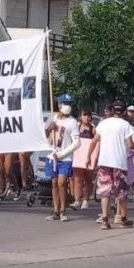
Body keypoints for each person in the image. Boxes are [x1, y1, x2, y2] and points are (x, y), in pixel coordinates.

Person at [87, 100, 134, 229]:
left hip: (104, 161)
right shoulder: (125, 125)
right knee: (121, 192)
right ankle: (122, 217)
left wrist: (88, 156)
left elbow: (94, 141)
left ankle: (105, 220)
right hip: (119, 162)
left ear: (112, 111)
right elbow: (130, 144)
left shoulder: (103, 124)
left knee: (105, 191)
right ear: (123, 112)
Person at [44, 94, 80, 222]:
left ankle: (63, 210)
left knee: (61, 182)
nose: (67, 107)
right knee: (54, 182)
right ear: (59, 105)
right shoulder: (53, 118)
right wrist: (49, 128)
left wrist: (62, 154)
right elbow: (43, 135)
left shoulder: (73, 122)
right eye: (65, 104)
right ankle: (56, 210)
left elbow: (76, 142)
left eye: (69, 104)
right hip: (51, 155)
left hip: (65, 157)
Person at [71, 109, 95, 211]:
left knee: (88, 179)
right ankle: (77, 200)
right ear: (80, 117)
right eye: (84, 115)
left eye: (88, 115)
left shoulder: (93, 129)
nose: (87, 117)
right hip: (78, 157)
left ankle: (85, 200)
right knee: (77, 179)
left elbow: (97, 144)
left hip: (89, 157)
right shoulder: (76, 128)